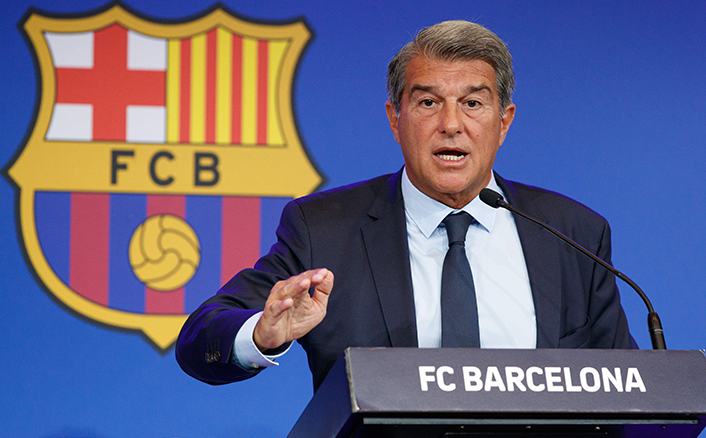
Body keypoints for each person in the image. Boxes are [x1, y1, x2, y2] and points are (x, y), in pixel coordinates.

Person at [176, 20, 637, 391]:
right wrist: (261, 334)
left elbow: (631, 390)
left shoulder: (572, 233)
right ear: (395, 119)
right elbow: (201, 336)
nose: (451, 124)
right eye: (428, 102)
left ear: (504, 121)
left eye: (473, 103)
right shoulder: (326, 229)